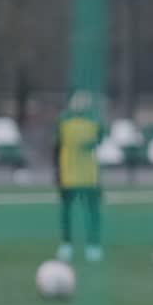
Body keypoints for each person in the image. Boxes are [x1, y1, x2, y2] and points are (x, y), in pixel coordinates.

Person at [54, 91, 106, 262]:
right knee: (67, 212)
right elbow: (56, 146)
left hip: (90, 176)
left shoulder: (95, 122)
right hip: (68, 175)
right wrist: (57, 172)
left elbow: (101, 138)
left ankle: (93, 245)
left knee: (92, 212)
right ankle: (66, 244)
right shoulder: (63, 121)